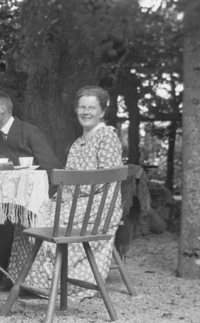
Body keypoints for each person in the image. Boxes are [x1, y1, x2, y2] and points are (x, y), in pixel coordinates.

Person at [8, 85, 124, 299]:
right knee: (29, 212)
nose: (86, 112)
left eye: (92, 108)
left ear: (102, 111)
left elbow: (109, 178)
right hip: (76, 200)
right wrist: (65, 193)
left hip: (100, 203)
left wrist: (75, 192)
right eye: (82, 107)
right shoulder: (78, 142)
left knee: (44, 218)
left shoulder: (106, 136)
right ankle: (33, 280)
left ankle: (56, 283)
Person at [0, 90, 62, 276]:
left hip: (41, 197)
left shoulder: (29, 131)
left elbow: (52, 169)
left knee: (7, 208)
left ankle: (5, 266)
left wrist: (42, 199)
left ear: (2, 109)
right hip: (13, 198)